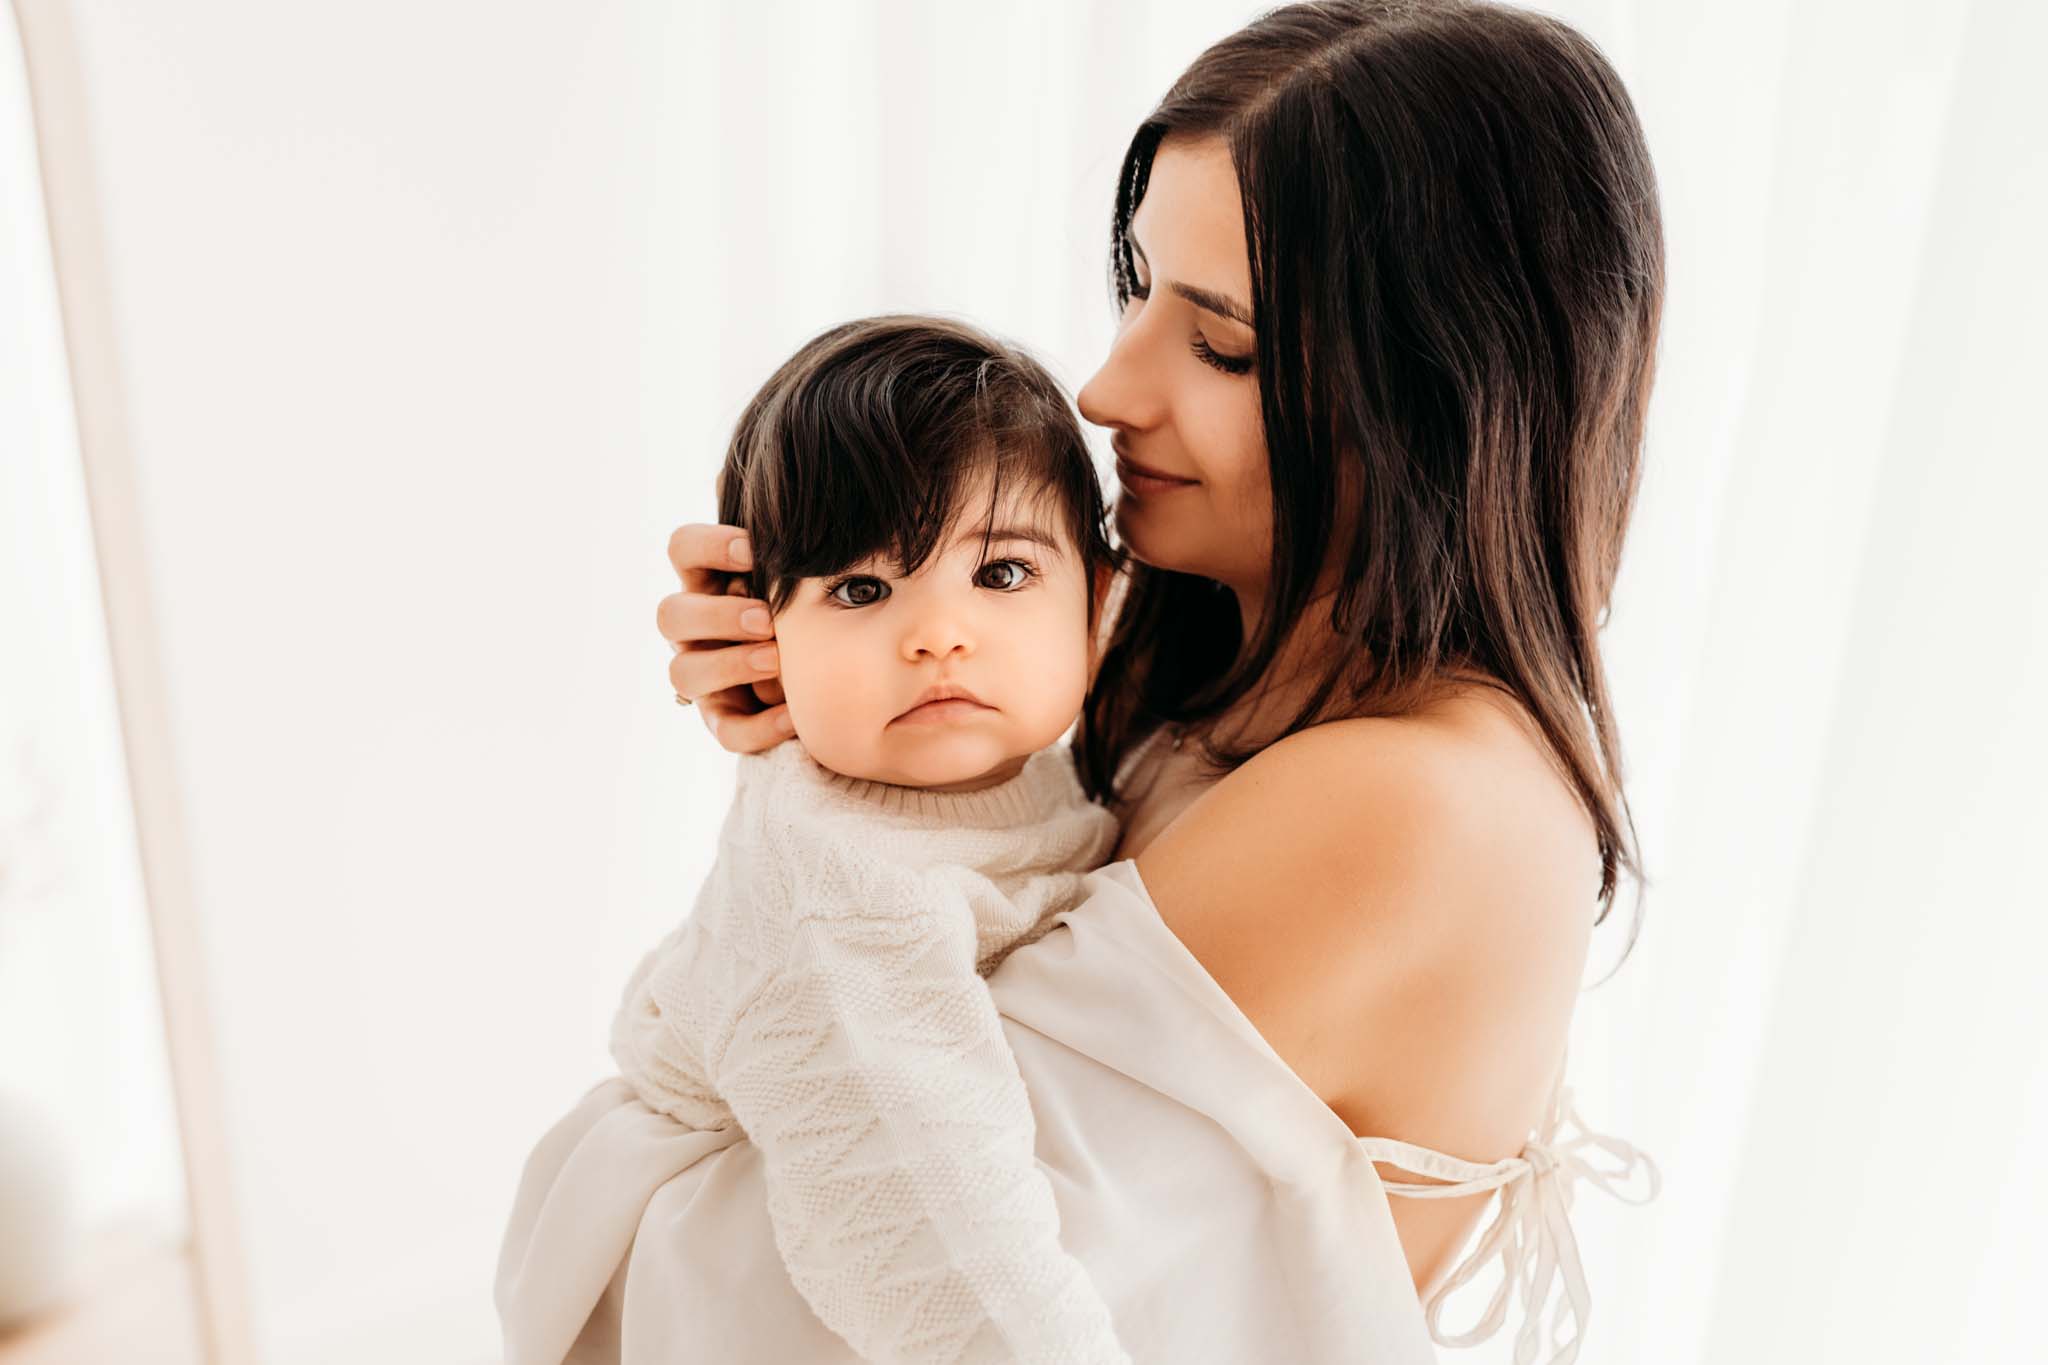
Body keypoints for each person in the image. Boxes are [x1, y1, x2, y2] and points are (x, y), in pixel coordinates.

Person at [498, 2, 1666, 1360]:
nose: (1108, 388)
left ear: (1437, 394)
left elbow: (879, 1256)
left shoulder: (1407, 800)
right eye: (1136, 290)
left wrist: (817, 840)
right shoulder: (1254, 669)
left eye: (1220, 343)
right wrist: (865, 714)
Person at [605, 313, 1134, 1363]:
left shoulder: (1044, 767)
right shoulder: (836, 881)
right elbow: (923, 1219)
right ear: (754, 634)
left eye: (1001, 575)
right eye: (861, 588)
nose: (936, 633)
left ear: (1103, 607)